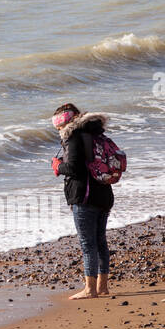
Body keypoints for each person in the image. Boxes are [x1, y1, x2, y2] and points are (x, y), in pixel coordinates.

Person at [51, 103, 113, 299]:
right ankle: (102, 286)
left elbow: (75, 169)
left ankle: (90, 289)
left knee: (88, 244)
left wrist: (58, 166)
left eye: (58, 127)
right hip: (104, 193)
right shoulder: (95, 133)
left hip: (84, 196)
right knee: (100, 241)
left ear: (65, 124)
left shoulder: (73, 138)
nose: (59, 131)